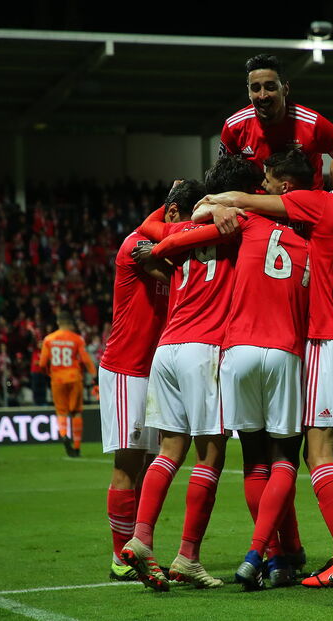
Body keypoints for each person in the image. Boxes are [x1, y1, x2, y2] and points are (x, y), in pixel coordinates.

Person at [197, 130, 333, 587]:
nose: (326, 165)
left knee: (319, 450)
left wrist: (219, 200)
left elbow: (248, 201)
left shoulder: (323, 202)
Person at [118, 160, 257, 592]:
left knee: (169, 449)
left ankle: (141, 539)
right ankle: (188, 556)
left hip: (167, 348)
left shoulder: (176, 233)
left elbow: (149, 229)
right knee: (211, 454)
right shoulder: (240, 229)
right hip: (205, 349)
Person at [100, 180, 201, 583]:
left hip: (154, 367)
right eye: (186, 222)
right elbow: (174, 271)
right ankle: (120, 556)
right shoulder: (136, 245)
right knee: (128, 464)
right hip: (127, 367)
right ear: (173, 213)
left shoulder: (167, 245)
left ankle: (139, 547)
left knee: (147, 467)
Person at [220, 54, 333, 189]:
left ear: (285, 89)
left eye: (270, 87)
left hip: (306, 206)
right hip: (257, 206)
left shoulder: (312, 123)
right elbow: (223, 177)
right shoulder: (234, 127)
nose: (262, 95)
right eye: (255, 88)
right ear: (249, 93)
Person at [39, 312, 96, 457]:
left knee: (61, 412)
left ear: (58, 322)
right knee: (76, 412)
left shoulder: (49, 339)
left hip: (57, 379)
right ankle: (77, 448)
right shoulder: (76, 339)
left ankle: (64, 435)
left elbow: (42, 363)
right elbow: (85, 360)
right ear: (70, 324)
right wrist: (94, 376)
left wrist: (49, 373)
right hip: (74, 377)